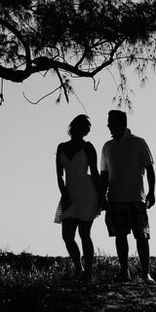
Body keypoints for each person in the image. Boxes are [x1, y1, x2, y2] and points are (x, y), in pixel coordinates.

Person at [98, 108, 156, 283]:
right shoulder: (107, 147)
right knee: (120, 236)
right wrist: (102, 196)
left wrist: (152, 192)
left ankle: (146, 274)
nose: (108, 125)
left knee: (142, 237)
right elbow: (104, 175)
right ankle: (125, 272)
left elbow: (150, 169)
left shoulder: (138, 142)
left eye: (111, 122)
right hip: (115, 199)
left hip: (136, 197)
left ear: (122, 123)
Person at [54, 113, 101, 280]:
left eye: (87, 128)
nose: (85, 130)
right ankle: (78, 268)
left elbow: (95, 172)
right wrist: (64, 193)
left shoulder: (88, 147)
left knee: (84, 233)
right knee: (67, 236)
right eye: (83, 126)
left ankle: (87, 273)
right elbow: (59, 175)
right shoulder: (61, 147)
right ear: (74, 127)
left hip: (87, 193)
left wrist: (102, 196)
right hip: (69, 193)